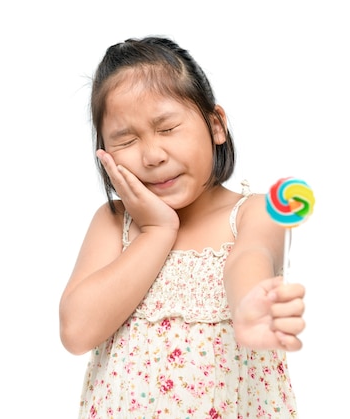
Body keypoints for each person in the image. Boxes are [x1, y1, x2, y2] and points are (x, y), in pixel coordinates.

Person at [59, 36, 306, 418]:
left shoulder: (253, 211)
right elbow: (76, 331)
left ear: (216, 125)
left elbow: (250, 258)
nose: (153, 155)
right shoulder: (113, 223)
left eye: (168, 128)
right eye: (126, 140)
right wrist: (157, 232)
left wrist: (251, 305)